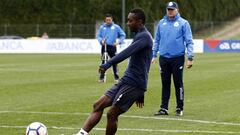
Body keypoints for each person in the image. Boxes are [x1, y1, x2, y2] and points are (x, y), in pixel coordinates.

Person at [75, 8, 153, 135]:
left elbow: (126, 53)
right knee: (98, 105)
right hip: (127, 80)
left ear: (140, 21)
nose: (128, 23)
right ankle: (81, 134)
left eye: (130, 21)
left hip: (134, 84)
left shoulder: (144, 37)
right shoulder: (139, 35)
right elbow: (144, 64)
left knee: (112, 114)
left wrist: (108, 64)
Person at [152, 1, 194, 116]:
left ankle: (179, 107)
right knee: (165, 84)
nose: (170, 11)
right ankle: (163, 108)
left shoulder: (183, 23)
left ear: (177, 10)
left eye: (172, 9)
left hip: (177, 58)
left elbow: (189, 41)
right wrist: (154, 54)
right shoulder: (161, 23)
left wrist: (190, 57)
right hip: (164, 58)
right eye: (168, 9)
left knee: (178, 83)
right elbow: (157, 40)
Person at [97, 13, 126, 83]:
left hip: (112, 47)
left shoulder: (116, 27)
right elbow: (98, 36)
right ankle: (102, 78)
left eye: (109, 20)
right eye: (107, 20)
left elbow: (123, 35)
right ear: (105, 20)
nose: (108, 21)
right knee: (104, 61)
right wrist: (101, 41)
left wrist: (118, 42)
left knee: (114, 62)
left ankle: (116, 77)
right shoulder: (102, 27)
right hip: (104, 47)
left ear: (112, 20)